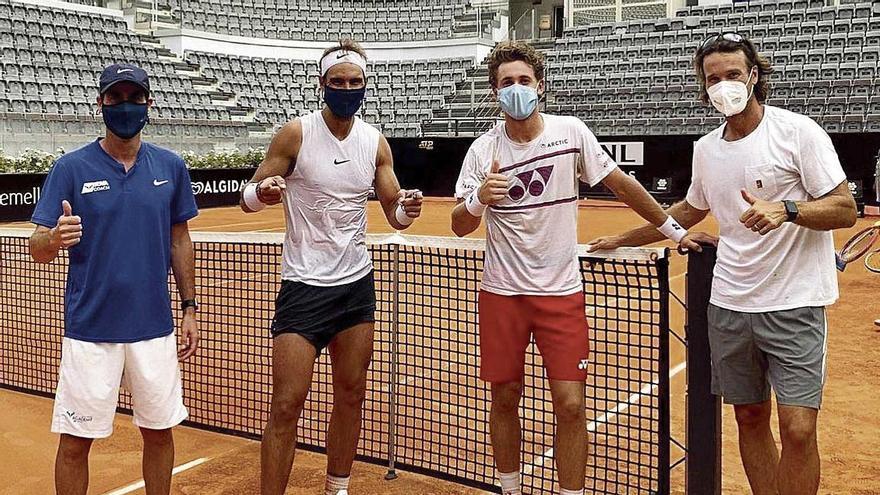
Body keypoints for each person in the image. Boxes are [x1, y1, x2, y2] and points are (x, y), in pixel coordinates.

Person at [589, 33, 857, 495]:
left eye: (733, 74)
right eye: (713, 78)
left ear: (753, 76)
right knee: (750, 418)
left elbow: (844, 209)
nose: (724, 85)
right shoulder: (706, 149)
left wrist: (786, 209)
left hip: (795, 304)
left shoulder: (798, 132)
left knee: (798, 429)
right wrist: (623, 238)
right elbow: (688, 212)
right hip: (729, 305)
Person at [450, 40, 699, 495]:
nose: (517, 89)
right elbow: (459, 225)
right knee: (504, 398)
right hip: (501, 295)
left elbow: (622, 185)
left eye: (524, 80)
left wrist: (675, 232)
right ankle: (509, 487)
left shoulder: (570, 133)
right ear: (494, 93)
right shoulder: (483, 152)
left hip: (561, 295)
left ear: (540, 85)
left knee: (570, 405)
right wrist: (478, 198)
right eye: (507, 83)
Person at [241, 39, 423, 495]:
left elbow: (393, 212)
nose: (347, 88)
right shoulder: (295, 134)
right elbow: (250, 196)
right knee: (286, 405)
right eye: (338, 81)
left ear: (365, 86)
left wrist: (408, 208)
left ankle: (336, 488)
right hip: (303, 287)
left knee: (352, 395)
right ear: (322, 85)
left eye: (355, 82)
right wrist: (262, 194)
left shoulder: (374, 142)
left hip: (355, 289)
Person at [28, 63, 199, 495]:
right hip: (91, 330)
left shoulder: (171, 166)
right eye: (115, 97)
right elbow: (37, 248)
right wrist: (53, 237)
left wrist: (190, 308)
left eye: (134, 98)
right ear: (101, 103)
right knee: (74, 443)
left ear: (149, 104)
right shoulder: (70, 168)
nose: (125, 106)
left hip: (154, 328)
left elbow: (180, 239)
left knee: (159, 433)